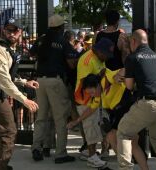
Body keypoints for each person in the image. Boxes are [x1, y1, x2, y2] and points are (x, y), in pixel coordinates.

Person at [0, 17, 39, 170]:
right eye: (8, 30)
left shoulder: (8, 49)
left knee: (5, 133)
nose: (11, 33)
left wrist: (24, 82)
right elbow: (3, 81)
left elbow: (8, 76)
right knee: (8, 132)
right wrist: (24, 99)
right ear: (3, 31)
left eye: (15, 30)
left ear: (20, 32)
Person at [68, 71, 149, 170]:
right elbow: (91, 109)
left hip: (127, 106)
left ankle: (126, 167)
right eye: (90, 94)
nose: (92, 95)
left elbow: (123, 70)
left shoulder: (106, 78)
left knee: (117, 138)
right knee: (129, 142)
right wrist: (76, 121)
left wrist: (118, 76)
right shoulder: (98, 95)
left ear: (97, 85)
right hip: (120, 111)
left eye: (92, 92)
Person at [117, 29, 156, 170]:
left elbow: (129, 86)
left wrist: (121, 77)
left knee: (123, 132)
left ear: (134, 41)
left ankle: (125, 168)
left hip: (149, 103)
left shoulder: (133, 58)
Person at [29, 14, 77, 163]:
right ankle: (61, 153)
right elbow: (71, 64)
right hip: (55, 81)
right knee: (60, 118)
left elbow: (32, 53)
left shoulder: (42, 38)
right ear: (61, 27)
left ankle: (37, 148)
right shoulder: (62, 41)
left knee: (41, 117)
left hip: (39, 81)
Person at [72, 38, 115, 168]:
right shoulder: (87, 60)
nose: (107, 58)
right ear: (99, 51)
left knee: (94, 126)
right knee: (90, 127)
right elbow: (87, 83)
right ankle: (92, 157)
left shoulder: (99, 58)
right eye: (106, 54)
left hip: (94, 98)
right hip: (85, 99)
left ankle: (89, 152)